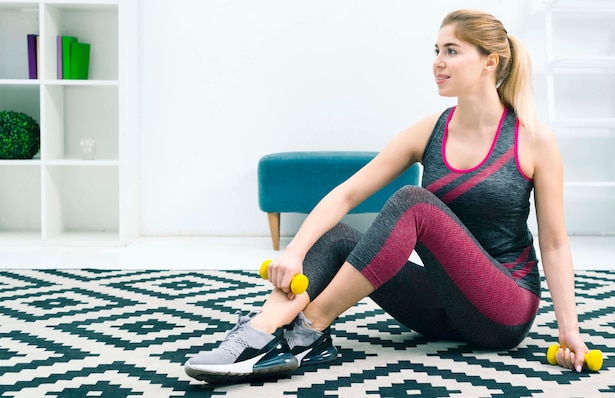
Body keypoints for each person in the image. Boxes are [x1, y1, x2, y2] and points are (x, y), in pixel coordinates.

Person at [184, 9, 590, 383]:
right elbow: (347, 194)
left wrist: (568, 329)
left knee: (413, 202)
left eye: (451, 50)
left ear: (490, 61)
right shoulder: (430, 130)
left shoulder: (533, 139)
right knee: (340, 235)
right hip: (441, 307)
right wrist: (294, 251)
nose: (437, 61)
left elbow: (554, 243)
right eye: (436, 50)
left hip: (503, 308)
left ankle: (307, 330)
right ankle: (257, 333)